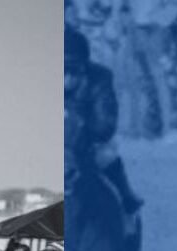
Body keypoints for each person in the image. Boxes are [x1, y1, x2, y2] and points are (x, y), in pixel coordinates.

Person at [64, 26, 144, 215]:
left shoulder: (100, 80)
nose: (66, 78)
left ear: (84, 66)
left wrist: (80, 127)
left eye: (73, 71)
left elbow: (105, 125)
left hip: (87, 142)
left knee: (108, 156)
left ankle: (126, 199)